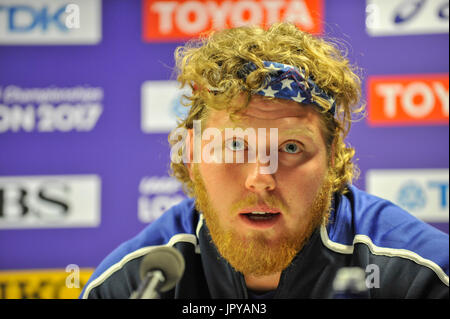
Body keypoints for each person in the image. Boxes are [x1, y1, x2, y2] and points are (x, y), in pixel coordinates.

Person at [80, 23, 449, 299]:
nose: (261, 178)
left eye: (290, 148)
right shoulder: (133, 285)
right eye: (235, 146)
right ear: (191, 155)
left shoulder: (419, 278)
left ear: (332, 159)